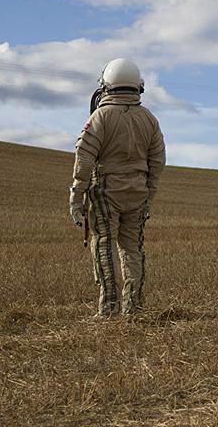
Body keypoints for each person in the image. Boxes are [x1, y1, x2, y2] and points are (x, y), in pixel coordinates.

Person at [69, 58, 166, 317]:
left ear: (107, 85)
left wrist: (76, 196)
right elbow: (158, 160)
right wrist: (149, 194)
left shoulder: (100, 117)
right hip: (137, 194)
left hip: (106, 193)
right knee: (132, 248)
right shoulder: (149, 120)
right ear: (138, 86)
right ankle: (133, 306)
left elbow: (84, 155)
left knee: (104, 245)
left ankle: (108, 309)